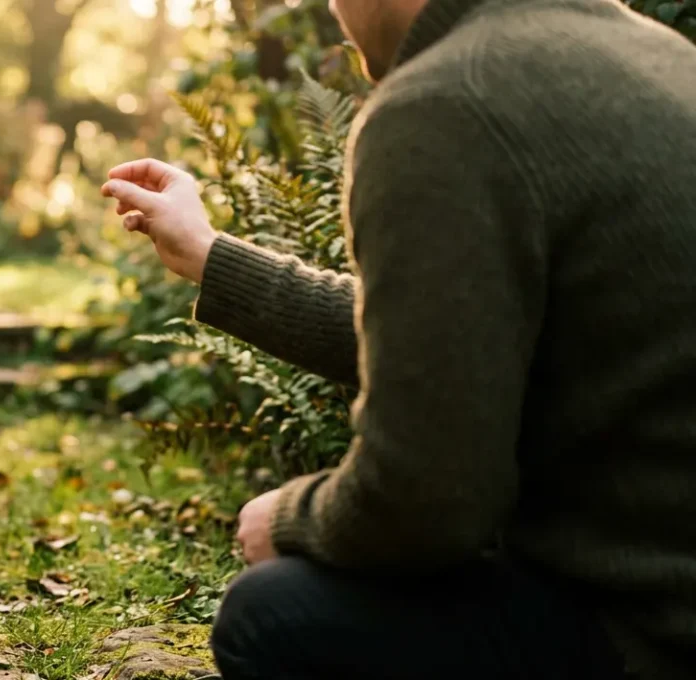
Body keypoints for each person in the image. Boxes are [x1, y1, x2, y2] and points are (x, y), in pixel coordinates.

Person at [100, 0, 696, 676]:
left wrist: (291, 519)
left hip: (647, 635)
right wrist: (210, 256)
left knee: (274, 614)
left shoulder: (447, 101)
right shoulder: (657, 54)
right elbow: (458, 339)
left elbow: (427, 504)